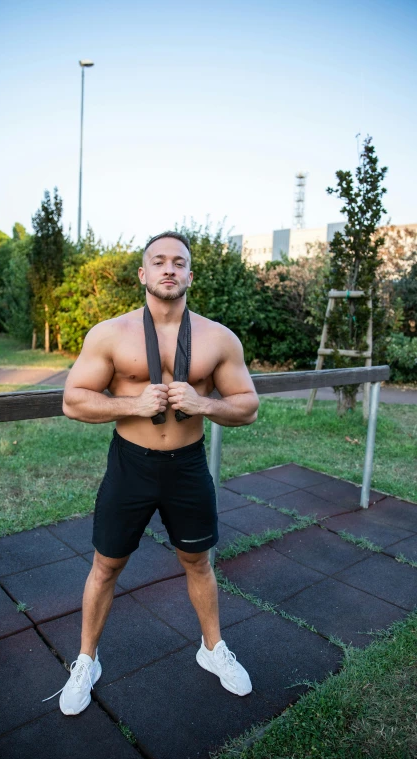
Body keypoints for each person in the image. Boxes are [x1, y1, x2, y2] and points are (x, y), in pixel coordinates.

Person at [43, 230, 259, 715]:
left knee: (198, 562)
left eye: (178, 263)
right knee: (106, 566)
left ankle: (212, 649)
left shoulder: (218, 338)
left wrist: (203, 402)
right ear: (142, 274)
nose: (168, 269)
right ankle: (85, 660)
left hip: (187, 466)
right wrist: (132, 403)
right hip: (130, 465)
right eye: (158, 261)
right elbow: (73, 400)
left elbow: (247, 407)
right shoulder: (110, 334)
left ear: (189, 275)